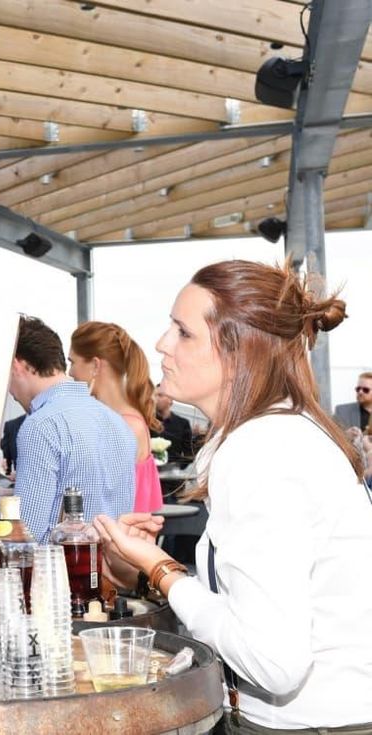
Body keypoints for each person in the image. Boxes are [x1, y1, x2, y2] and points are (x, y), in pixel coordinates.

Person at [95, 259, 372, 732]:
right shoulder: (271, 435)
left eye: (183, 332)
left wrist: (161, 570)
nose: (161, 344)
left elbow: (273, 662)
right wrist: (148, 568)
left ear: (240, 353)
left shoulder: (262, 450)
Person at [6, 316, 136, 541]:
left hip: (64, 562)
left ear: (16, 366)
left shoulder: (41, 426)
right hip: (111, 558)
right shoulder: (118, 422)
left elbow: (27, 534)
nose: (10, 392)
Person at [69, 320, 163, 513]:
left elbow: (99, 503)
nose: (70, 372)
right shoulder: (127, 420)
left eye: (72, 362)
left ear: (95, 365)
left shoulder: (122, 425)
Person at [151, 382, 196, 465]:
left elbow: (189, 456)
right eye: (154, 395)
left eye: (160, 395)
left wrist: (175, 468)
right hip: (149, 470)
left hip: (171, 471)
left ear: (171, 399)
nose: (155, 399)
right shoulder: (147, 421)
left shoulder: (183, 424)